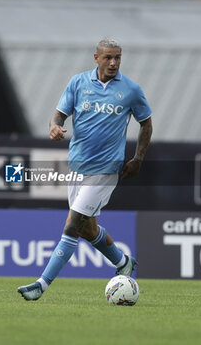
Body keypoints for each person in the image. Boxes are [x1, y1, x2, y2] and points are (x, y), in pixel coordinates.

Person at [18, 39, 152, 301]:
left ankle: (40, 285)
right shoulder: (78, 83)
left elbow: (146, 124)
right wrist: (54, 126)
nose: (113, 63)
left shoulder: (131, 90)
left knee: (71, 225)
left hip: (106, 169)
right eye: (108, 58)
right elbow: (58, 115)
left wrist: (138, 158)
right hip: (77, 167)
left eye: (117, 58)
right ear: (96, 58)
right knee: (87, 229)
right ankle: (123, 261)